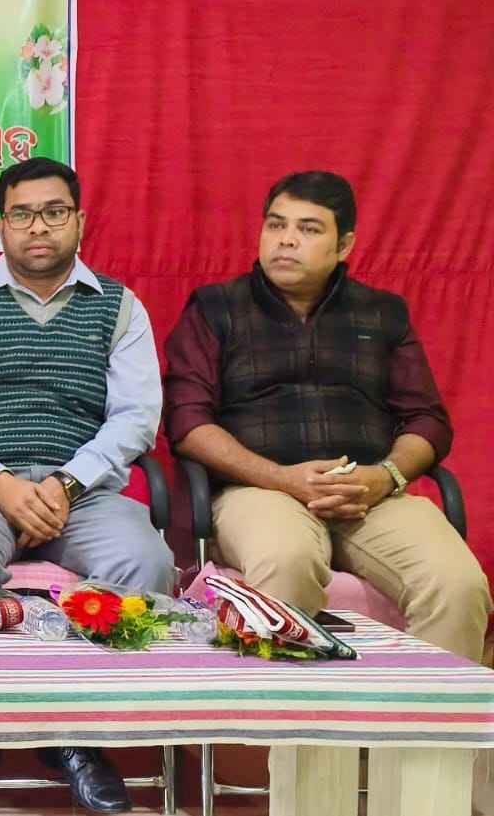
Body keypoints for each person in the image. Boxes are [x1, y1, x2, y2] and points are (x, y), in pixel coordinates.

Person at [0, 157, 170, 814]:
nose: (38, 227)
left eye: (54, 212)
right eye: (21, 214)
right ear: (1, 225)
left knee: (146, 561)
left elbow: (137, 417)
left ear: (80, 220)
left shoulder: (119, 307)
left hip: (81, 488)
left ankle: (77, 731)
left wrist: (65, 484)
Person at [164, 170, 490, 662]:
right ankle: (294, 715)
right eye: (276, 225)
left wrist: (385, 476)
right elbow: (188, 423)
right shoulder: (217, 308)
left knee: (458, 584)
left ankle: (423, 714)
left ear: (344, 246)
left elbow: (427, 420)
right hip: (261, 490)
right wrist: (282, 478)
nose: (286, 240)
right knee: (286, 562)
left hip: (368, 493)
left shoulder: (382, 313)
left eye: (309, 229)